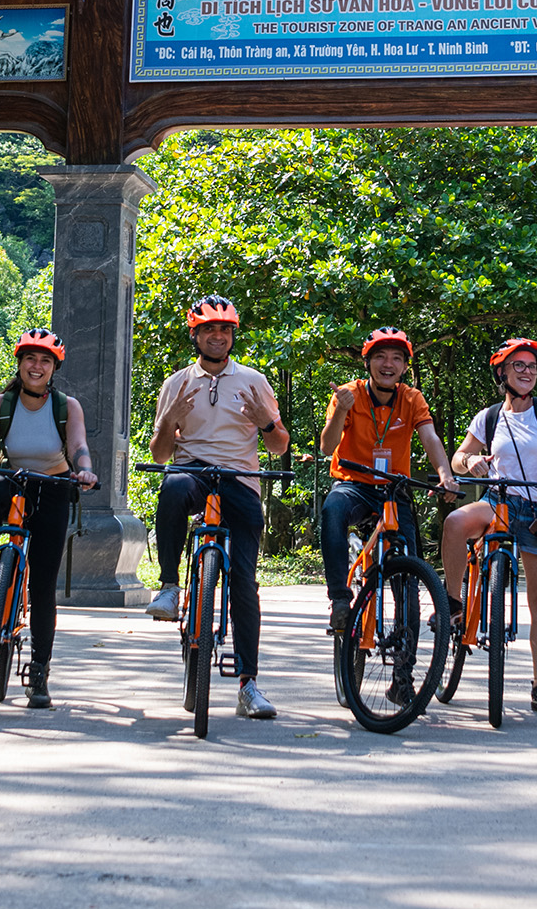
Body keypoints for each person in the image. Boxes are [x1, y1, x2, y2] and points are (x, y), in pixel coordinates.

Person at [145, 294, 289, 720]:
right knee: (171, 487)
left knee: (244, 582)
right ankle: (170, 586)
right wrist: (168, 420)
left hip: (239, 481)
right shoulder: (176, 383)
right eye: (209, 329)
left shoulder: (253, 380)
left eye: (224, 329)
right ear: (196, 334)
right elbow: (159, 454)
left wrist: (266, 420)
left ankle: (249, 684)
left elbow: (279, 446)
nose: (217, 336)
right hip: (192, 472)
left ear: (232, 336)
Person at [439, 337, 537, 715]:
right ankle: (453, 602)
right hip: (499, 504)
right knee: (456, 521)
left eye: (532, 367)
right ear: (502, 372)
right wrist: (469, 464)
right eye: (518, 366)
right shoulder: (489, 417)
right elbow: (460, 456)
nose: (527, 372)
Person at [0, 328, 97, 710]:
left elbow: (79, 445)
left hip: (53, 486)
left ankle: (40, 670)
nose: (37, 366)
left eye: (45, 361)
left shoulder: (66, 406)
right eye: (30, 358)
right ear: (20, 363)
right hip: (14, 480)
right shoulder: (4, 403)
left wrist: (84, 470)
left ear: (54, 369)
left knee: (43, 584)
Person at [314, 328, 459, 634]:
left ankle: (404, 672)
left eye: (396, 357)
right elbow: (327, 447)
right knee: (332, 511)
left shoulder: (411, 398)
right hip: (353, 484)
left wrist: (446, 475)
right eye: (380, 356)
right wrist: (341, 409)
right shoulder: (348, 393)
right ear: (367, 363)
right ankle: (339, 598)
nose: (387, 364)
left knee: (408, 569)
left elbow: (430, 439)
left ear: (405, 366)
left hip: (394, 489)